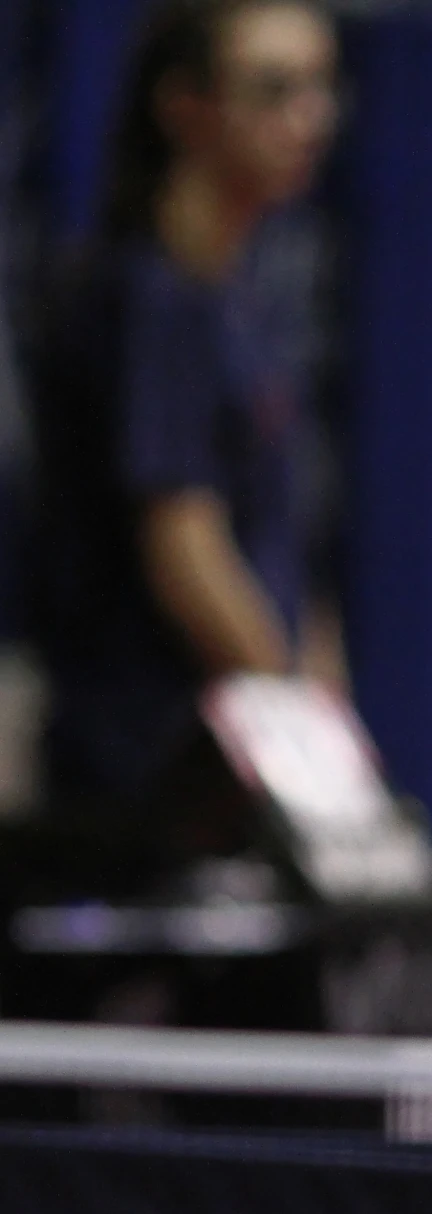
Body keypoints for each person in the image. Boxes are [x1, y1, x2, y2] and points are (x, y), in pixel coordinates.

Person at [24, 0, 339, 811]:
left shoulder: (234, 300)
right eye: (275, 91)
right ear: (186, 109)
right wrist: (301, 735)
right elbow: (185, 550)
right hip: (150, 779)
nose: (312, 118)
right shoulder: (151, 301)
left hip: (231, 762)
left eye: (319, 86)